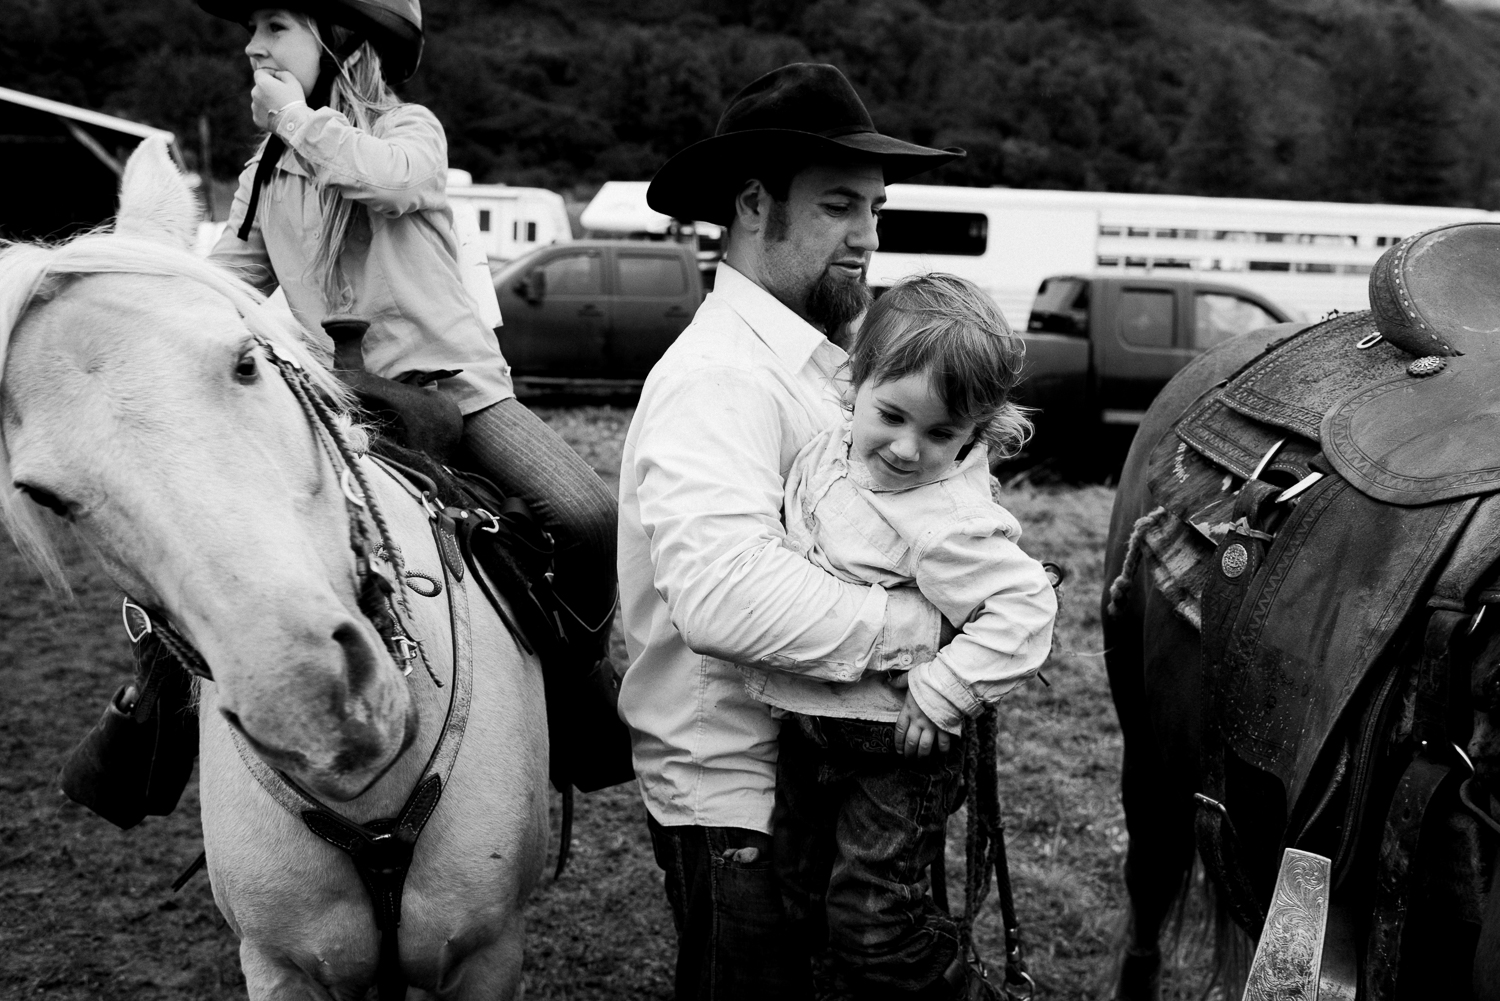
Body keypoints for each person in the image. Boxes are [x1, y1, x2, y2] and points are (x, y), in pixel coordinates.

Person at [617, 63, 966, 1000]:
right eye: (838, 207)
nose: (866, 239)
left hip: (807, 778)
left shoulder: (818, 365)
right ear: (751, 205)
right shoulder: (722, 376)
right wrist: (938, 629)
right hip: (740, 796)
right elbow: (725, 596)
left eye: (875, 210)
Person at [198, 0, 617, 676]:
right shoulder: (263, 176)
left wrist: (295, 122)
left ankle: (581, 682)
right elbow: (216, 286)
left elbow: (386, 182)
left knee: (590, 516)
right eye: (251, 28)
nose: (252, 47)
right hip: (340, 408)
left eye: (275, 28)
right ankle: (148, 727)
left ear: (341, 42)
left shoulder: (411, 129)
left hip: (459, 395)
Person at [745, 272, 1058, 1000]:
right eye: (892, 415)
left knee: (876, 921)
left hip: (893, 749)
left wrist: (942, 689)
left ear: (975, 431)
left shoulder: (946, 518)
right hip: (812, 726)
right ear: (857, 381)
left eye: (942, 433)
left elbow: (1024, 607)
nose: (909, 449)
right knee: (796, 889)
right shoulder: (832, 449)